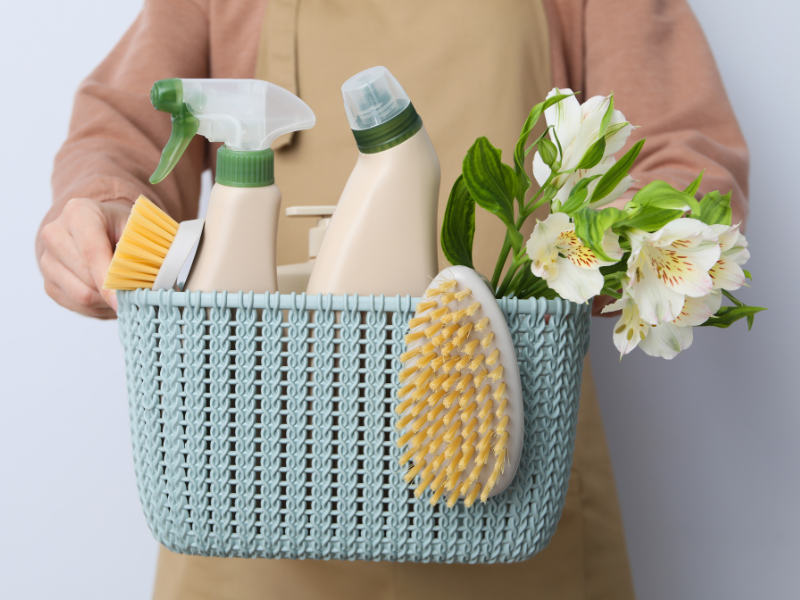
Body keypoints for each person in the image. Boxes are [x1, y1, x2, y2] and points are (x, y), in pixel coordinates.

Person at [36, 1, 748, 598]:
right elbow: (125, 129)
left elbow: (683, 165)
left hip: (507, 476)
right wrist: (99, 211)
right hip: (249, 498)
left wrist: (618, 245)